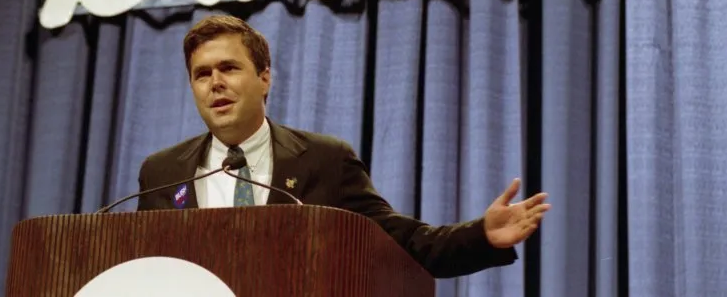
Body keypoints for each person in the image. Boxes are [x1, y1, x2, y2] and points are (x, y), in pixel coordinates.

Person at [136, 15, 550, 279]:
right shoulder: (161, 173)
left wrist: (481, 235)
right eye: (201, 74)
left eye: (229, 68)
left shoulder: (324, 160)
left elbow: (400, 242)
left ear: (265, 78)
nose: (215, 83)